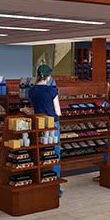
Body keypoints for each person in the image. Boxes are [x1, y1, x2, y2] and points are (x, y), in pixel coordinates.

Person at [29, 65, 63, 195]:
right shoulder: (52, 91)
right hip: (52, 125)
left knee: (41, 154)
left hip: (38, 125)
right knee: (54, 155)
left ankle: (41, 183)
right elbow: (58, 112)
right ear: (49, 76)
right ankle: (56, 188)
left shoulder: (32, 91)